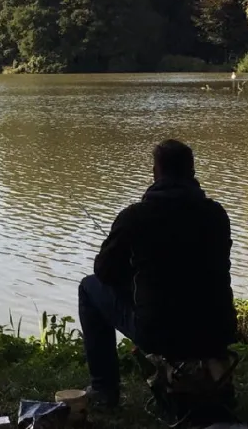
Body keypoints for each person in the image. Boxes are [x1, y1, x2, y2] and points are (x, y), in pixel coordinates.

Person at [78, 139, 237, 407]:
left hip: (160, 333)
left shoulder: (135, 216)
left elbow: (103, 272)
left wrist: (132, 275)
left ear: (155, 173)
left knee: (88, 287)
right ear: (192, 173)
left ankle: (104, 388)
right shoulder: (216, 214)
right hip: (216, 329)